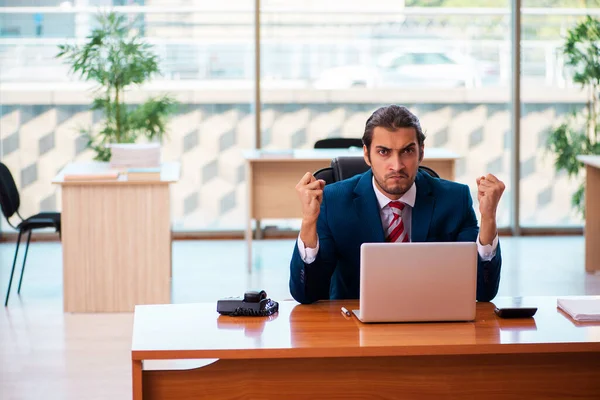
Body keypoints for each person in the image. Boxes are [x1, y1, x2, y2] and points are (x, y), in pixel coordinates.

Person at [289, 105, 504, 304]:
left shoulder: (454, 199)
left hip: (432, 320)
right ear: (366, 154)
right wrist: (309, 221)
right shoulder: (334, 201)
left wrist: (489, 219)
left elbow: (483, 293)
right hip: (354, 328)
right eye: (384, 152)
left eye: (407, 151)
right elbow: (306, 294)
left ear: (421, 151)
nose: (397, 165)